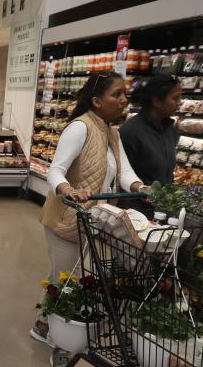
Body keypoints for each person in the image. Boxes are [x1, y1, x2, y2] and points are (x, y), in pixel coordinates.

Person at [31, 71, 145, 347]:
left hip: (93, 220)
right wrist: (68, 190)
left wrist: (140, 188)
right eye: (116, 94)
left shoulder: (112, 132)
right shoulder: (79, 128)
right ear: (96, 100)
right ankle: (56, 338)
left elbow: (125, 172)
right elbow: (55, 171)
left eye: (124, 94)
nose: (123, 100)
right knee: (65, 278)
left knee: (73, 277)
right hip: (66, 219)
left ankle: (50, 324)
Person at [119, 74, 181, 187]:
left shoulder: (169, 128)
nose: (179, 103)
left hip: (161, 201)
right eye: (175, 98)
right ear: (157, 101)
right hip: (135, 202)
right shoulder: (130, 132)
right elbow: (121, 174)